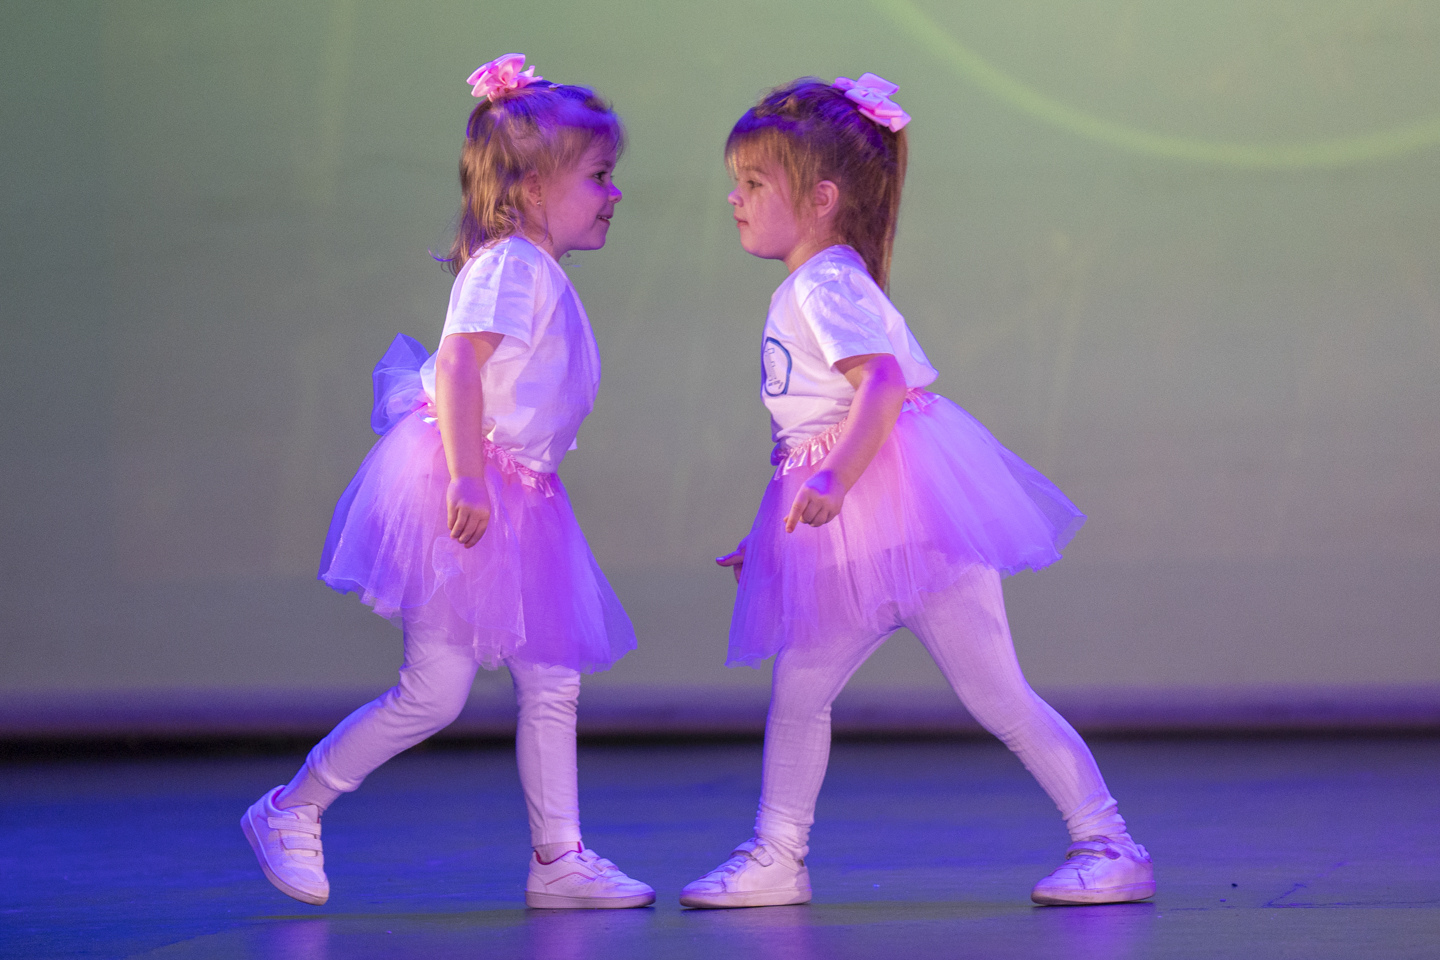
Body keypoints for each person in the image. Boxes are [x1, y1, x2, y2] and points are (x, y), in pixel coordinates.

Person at [680, 74, 1154, 909]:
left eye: (754, 183)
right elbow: (809, 428)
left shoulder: (825, 284)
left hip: (905, 518)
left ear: (821, 198)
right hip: (869, 525)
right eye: (737, 182)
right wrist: (773, 529)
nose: (735, 198)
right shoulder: (816, 283)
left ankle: (1109, 842)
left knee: (981, 693)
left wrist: (834, 479)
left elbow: (883, 384)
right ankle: (778, 854)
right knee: (812, 689)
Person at [241, 54, 654, 910]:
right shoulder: (509, 266)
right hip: (465, 486)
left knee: (553, 677)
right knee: (434, 693)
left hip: (518, 493)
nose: (614, 193)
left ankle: (559, 858)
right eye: (599, 176)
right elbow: (461, 365)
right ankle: (291, 808)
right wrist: (467, 478)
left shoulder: (534, 269)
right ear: (532, 186)